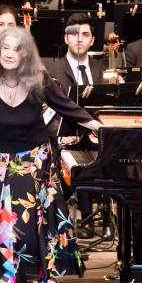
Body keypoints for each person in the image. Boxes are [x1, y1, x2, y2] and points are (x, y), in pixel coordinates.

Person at [0, 27, 100, 283]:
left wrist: (100, 127)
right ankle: (3, 276)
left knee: (44, 220)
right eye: (5, 48)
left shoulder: (39, 78)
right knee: (4, 221)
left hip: (36, 159)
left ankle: (49, 277)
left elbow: (68, 108)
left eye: (17, 49)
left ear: (26, 54)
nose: (10, 54)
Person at [46, 12, 106, 239]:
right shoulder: (52, 71)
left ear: (92, 40)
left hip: (97, 136)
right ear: (66, 38)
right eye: (73, 34)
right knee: (77, 152)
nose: (79, 38)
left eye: (85, 34)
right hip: (66, 138)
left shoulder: (102, 69)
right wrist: (59, 137)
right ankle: (86, 215)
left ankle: (104, 217)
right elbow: (48, 112)